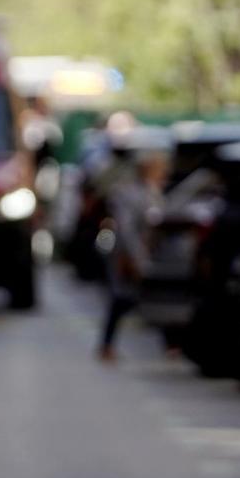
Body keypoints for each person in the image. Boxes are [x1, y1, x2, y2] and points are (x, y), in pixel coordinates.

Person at [99, 148, 170, 361]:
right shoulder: (129, 194)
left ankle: (170, 345)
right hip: (126, 255)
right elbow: (127, 230)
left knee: (153, 298)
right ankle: (106, 345)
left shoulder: (153, 191)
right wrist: (137, 260)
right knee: (123, 299)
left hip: (145, 254)